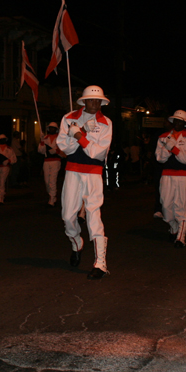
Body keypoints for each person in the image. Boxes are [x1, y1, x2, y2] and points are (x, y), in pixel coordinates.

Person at [57, 85, 113, 280]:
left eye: (98, 101)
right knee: (67, 216)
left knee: (93, 216)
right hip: (72, 171)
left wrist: (80, 136)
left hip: (93, 173)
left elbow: (98, 153)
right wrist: (77, 135)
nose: (95, 104)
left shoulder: (106, 122)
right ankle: (76, 243)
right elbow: (64, 147)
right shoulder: (68, 118)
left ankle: (100, 264)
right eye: (91, 100)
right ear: (84, 101)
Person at [156, 110, 186, 247]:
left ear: (185, 123)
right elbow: (160, 158)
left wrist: (173, 148)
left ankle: (181, 238)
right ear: (173, 121)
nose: (178, 123)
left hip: (183, 176)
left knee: (181, 207)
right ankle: (174, 227)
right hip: (166, 175)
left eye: (181, 121)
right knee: (166, 207)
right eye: (176, 120)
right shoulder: (163, 137)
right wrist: (168, 148)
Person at [38, 122, 62, 206]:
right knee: (47, 181)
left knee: (52, 180)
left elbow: (64, 151)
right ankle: (51, 195)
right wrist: (41, 141)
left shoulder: (60, 138)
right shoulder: (45, 138)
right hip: (46, 161)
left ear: (56, 129)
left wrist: (56, 151)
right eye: (50, 128)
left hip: (56, 161)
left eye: (53, 128)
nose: (52, 129)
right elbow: (41, 151)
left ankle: (52, 198)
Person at [0, 134, 17, 204]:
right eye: (1, 139)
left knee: (2, 181)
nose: (3, 141)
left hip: (5, 167)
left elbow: (14, 159)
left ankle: (1, 198)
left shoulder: (9, 149)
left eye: (4, 139)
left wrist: (9, 161)